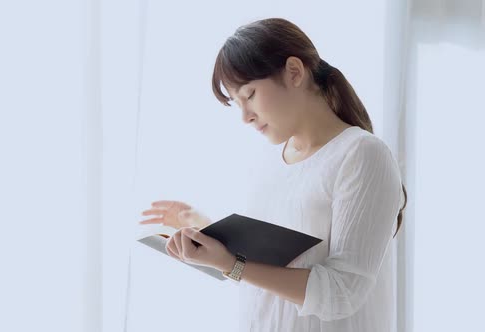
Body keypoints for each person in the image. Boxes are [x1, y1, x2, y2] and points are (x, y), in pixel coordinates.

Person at [139, 17, 407, 332]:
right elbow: (272, 277)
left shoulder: (361, 155)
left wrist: (231, 264)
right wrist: (203, 230)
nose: (245, 117)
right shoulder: (269, 161)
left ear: (294, 72)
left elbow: (341, 293)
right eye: (236, 103)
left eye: (249, 94)